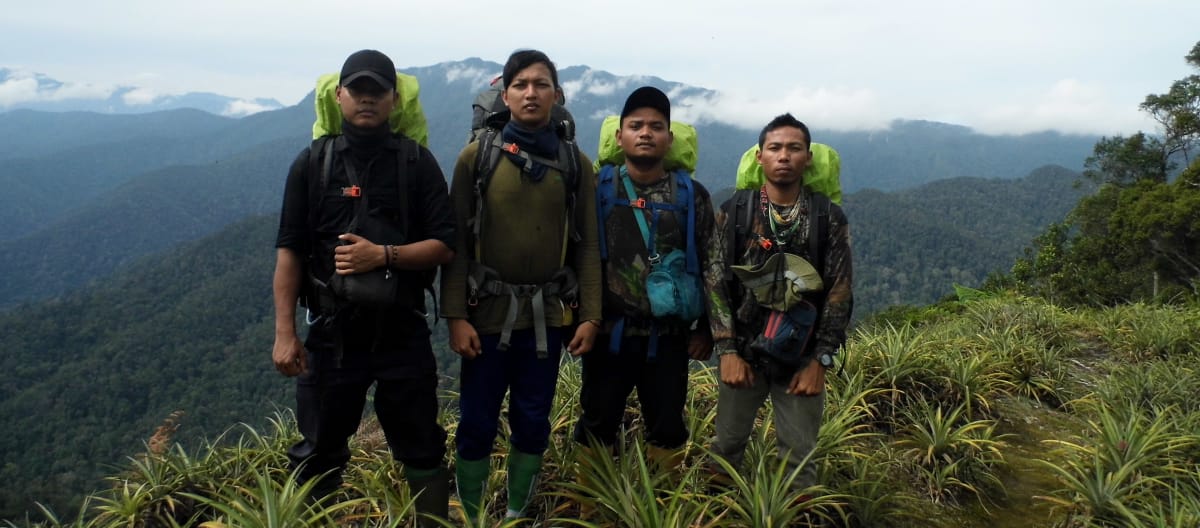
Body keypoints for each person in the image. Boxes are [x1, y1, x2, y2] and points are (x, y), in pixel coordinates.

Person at [271, 49, 455, 524]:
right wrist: (284, 332)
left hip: (402, 330)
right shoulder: (312, 164)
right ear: (339, 95)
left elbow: (445, 245)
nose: (367, 99)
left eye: (377, 91)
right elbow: (289, 251)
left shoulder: (418, 164)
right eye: (357, 90)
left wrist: (385, 255)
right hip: (332, 333)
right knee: (318, 450)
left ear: (395, 99)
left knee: (421, 447)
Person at [440, 49, 602, 521]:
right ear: (505, 94)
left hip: (548, 315)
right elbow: (458, 244)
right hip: (486, 312)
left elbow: (587, 246)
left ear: (557, 94)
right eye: (521, 85)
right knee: (475, 419)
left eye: (541, 84)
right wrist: (455, 317)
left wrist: (589, 315)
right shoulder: (477, 157)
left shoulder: (576, 164)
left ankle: (516, 512)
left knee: (533, 419)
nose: (531, 93)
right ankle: (470, 513)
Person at [707, 113, 854, 495]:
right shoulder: (736, 211)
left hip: (802, 357)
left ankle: (795, 517)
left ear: (808, 157)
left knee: (799, 459)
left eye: (794, 148)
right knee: (726, 449)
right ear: (760, 157)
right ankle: (717, 517)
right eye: (775, 148)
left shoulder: (827, 217)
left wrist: (821, 360)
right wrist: (726, 351)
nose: (784, 156)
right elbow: (715, 281)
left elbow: (839, 291)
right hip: (743, 353)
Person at [573, 87, 717, 470]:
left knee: (668, 426)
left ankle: (664, 504)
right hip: (607, 334)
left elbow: (711, 265)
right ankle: (592, 506)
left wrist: (708, 329)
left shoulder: (691, 195)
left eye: (656, 126)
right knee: (597, 423)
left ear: (670, 139)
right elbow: (575, 254)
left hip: (669, 337)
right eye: (635, 125)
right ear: (619, 136)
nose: (646, 133)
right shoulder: (597, 188)